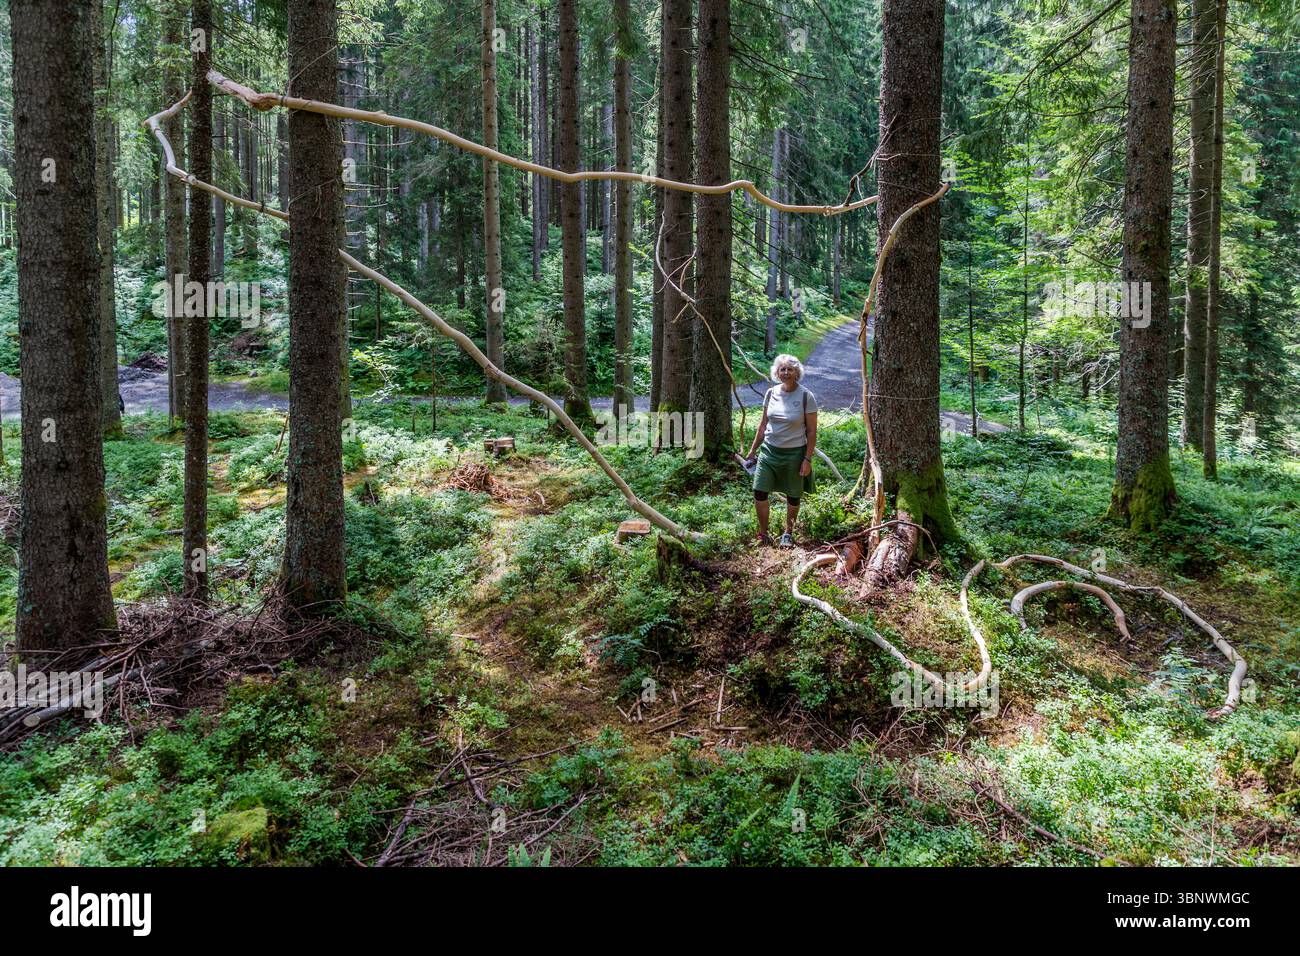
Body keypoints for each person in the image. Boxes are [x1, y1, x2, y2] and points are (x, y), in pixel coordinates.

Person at [744, 354, 817, 548]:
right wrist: (752, 452)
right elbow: (762, 426)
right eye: (782, 369)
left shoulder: (805, 396)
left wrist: (807, 459)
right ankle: (763, 533)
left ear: (796, 373)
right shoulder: (771, 393)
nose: (785, 373)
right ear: (777, 372)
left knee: (793, 495)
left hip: (794, 454)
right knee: (759, 491)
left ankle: (788, 533)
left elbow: (811, 432)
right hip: (769, 452)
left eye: (789, 369)